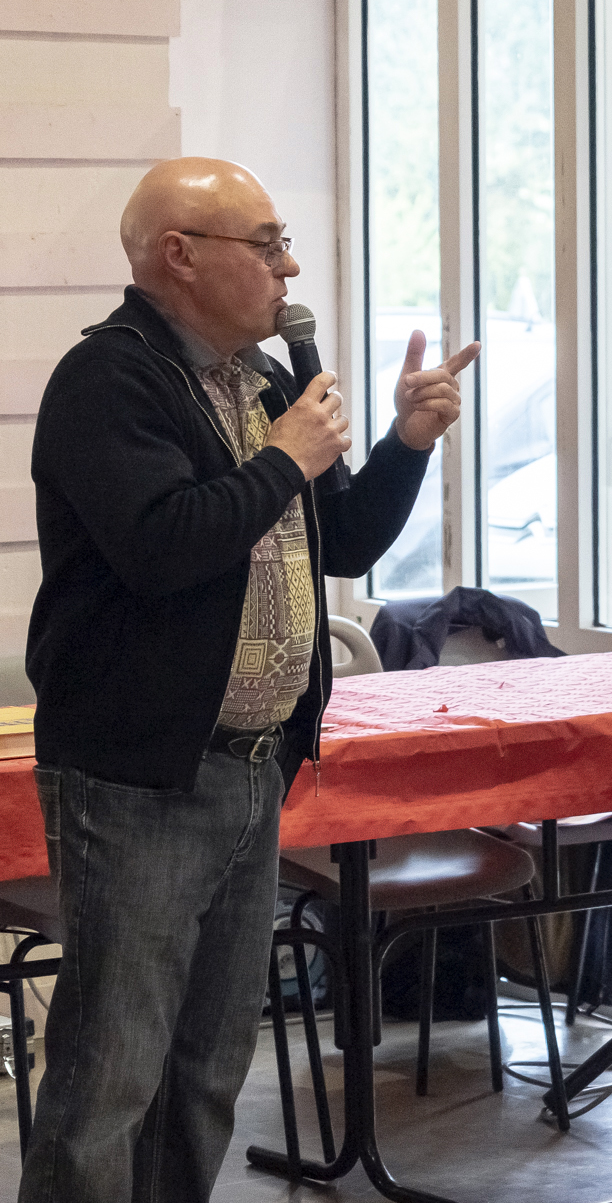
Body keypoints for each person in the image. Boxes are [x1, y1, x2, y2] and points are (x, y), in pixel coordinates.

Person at [20, 157, 476, 1202]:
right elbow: (161, 546)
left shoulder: (263, 384)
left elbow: (344, 537)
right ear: (179, 256)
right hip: (143, 778)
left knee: (207, 1070)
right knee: (109, 1076)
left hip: (253, 769)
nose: (291, 266)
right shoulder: (109, 380)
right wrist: (284, 460)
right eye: (266, 244)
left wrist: (406, 442)